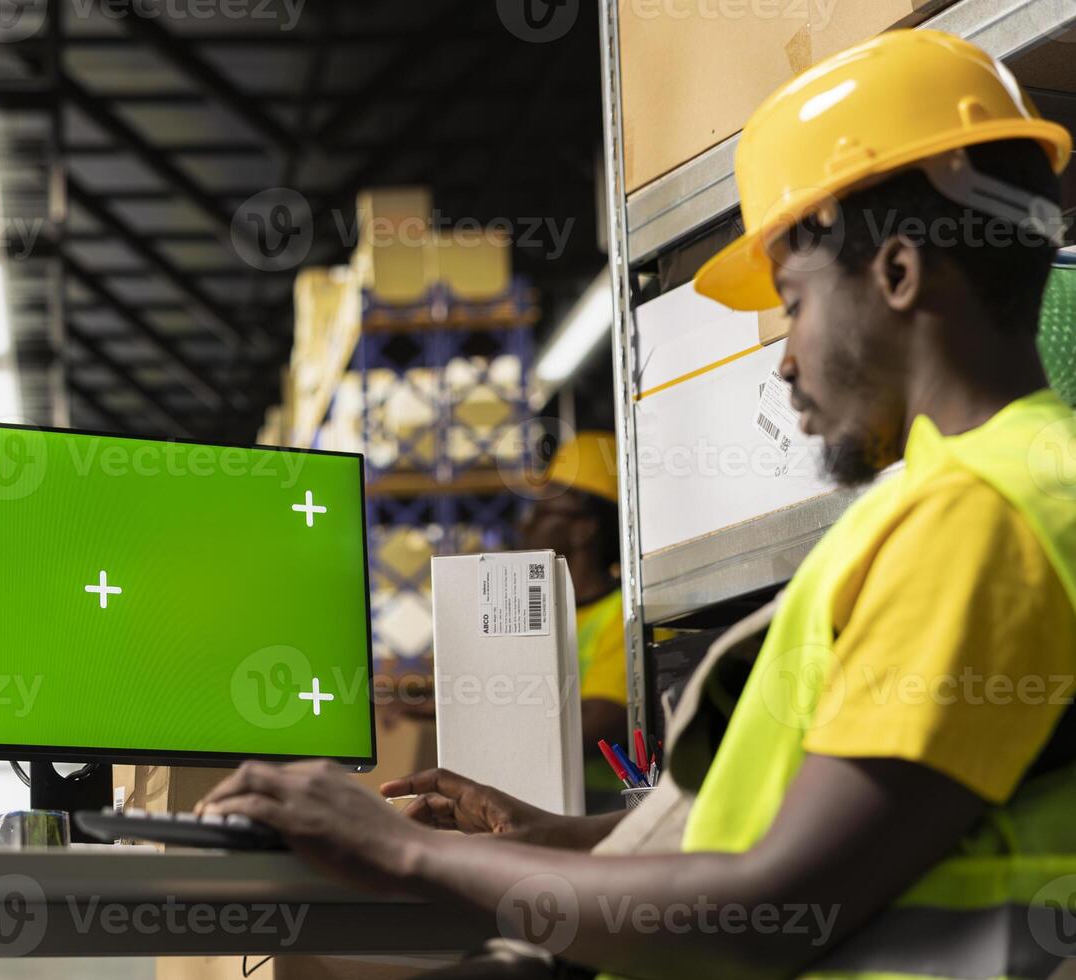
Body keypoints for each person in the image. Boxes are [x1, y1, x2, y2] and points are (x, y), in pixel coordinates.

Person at [198, 30, 1076, 978]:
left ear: (898, 275)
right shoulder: (974, 491)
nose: (783, 355)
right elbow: (769, 834)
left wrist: (400, 849)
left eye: (792, 300)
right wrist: (539, 835)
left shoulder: (985, 514)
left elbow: (768, 908)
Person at [519, 431, 631, 810]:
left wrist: (477, 718)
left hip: (601, 815)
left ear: (583, 528)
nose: (527, 523)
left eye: (543, 508)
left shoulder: (627, 614)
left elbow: (597, 723)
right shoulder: (537, 614)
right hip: (542, 807)